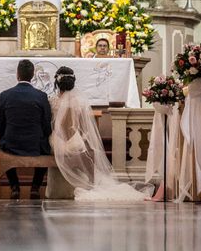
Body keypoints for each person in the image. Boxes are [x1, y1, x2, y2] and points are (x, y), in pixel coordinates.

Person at [48, 66, 153, 200]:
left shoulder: (52, 101)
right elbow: (83, 129)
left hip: (57, 144)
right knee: (87, 150)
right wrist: (83, 139)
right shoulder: (79, 102)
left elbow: (51, 124)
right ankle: (92, 184)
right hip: (74, 143)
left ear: (57, 82)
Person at [0, 59, 52, 199]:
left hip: (11, 143)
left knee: (3, 145)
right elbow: (46, 124)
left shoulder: (5, 95)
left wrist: (5, 137)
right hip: (35, 145)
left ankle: (14, 186)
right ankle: (35, 187)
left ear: (17, 74)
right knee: (46, 147)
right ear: (33, 75)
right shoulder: (41, 96)